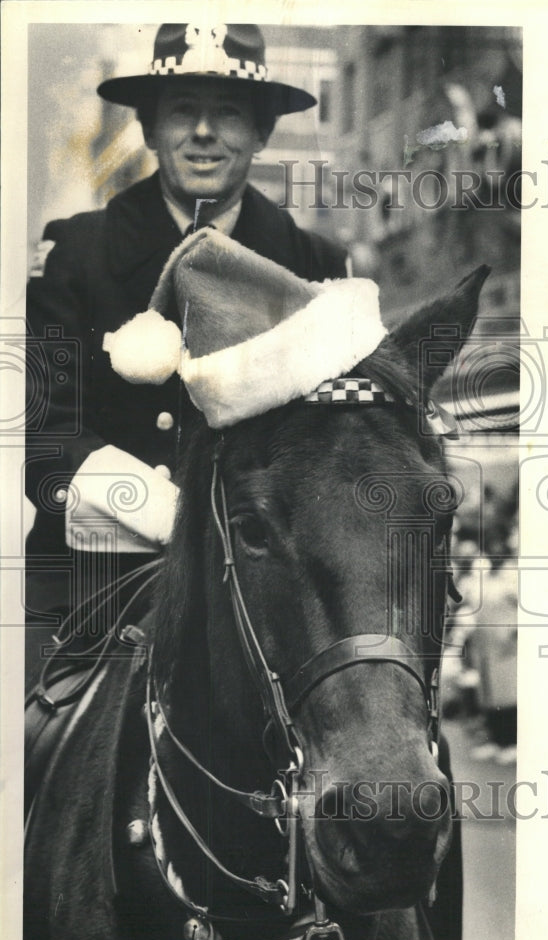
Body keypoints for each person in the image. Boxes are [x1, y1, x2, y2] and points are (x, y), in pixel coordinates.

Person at [24, 23, 348, 671]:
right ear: (149, 130)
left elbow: (333, 455)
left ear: (261, 133)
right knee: (30, 742)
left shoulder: (315, 271)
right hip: (93, 592)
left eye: (228, 112)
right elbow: (42, 438)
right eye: (183, 111)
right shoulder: (77, 256)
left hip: (262, 600)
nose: (205, 133)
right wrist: (172, 516)